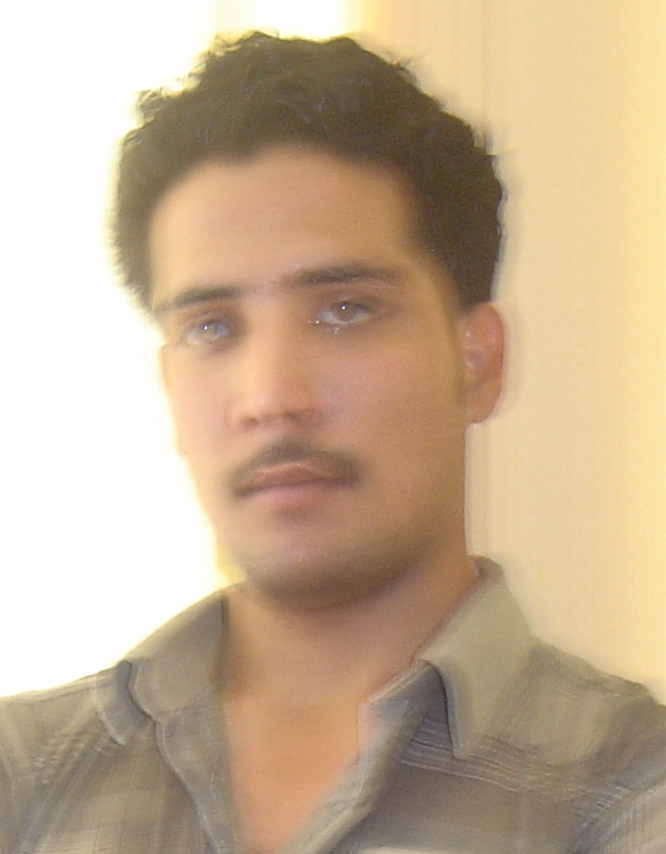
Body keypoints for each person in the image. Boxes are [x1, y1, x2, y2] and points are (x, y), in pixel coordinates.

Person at [1, 31, 665, 854]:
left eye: (345, 310)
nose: (271, 397)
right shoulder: (23, 777)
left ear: (479, 361)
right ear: (169, 386)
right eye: (211, 327)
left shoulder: (630, 784)